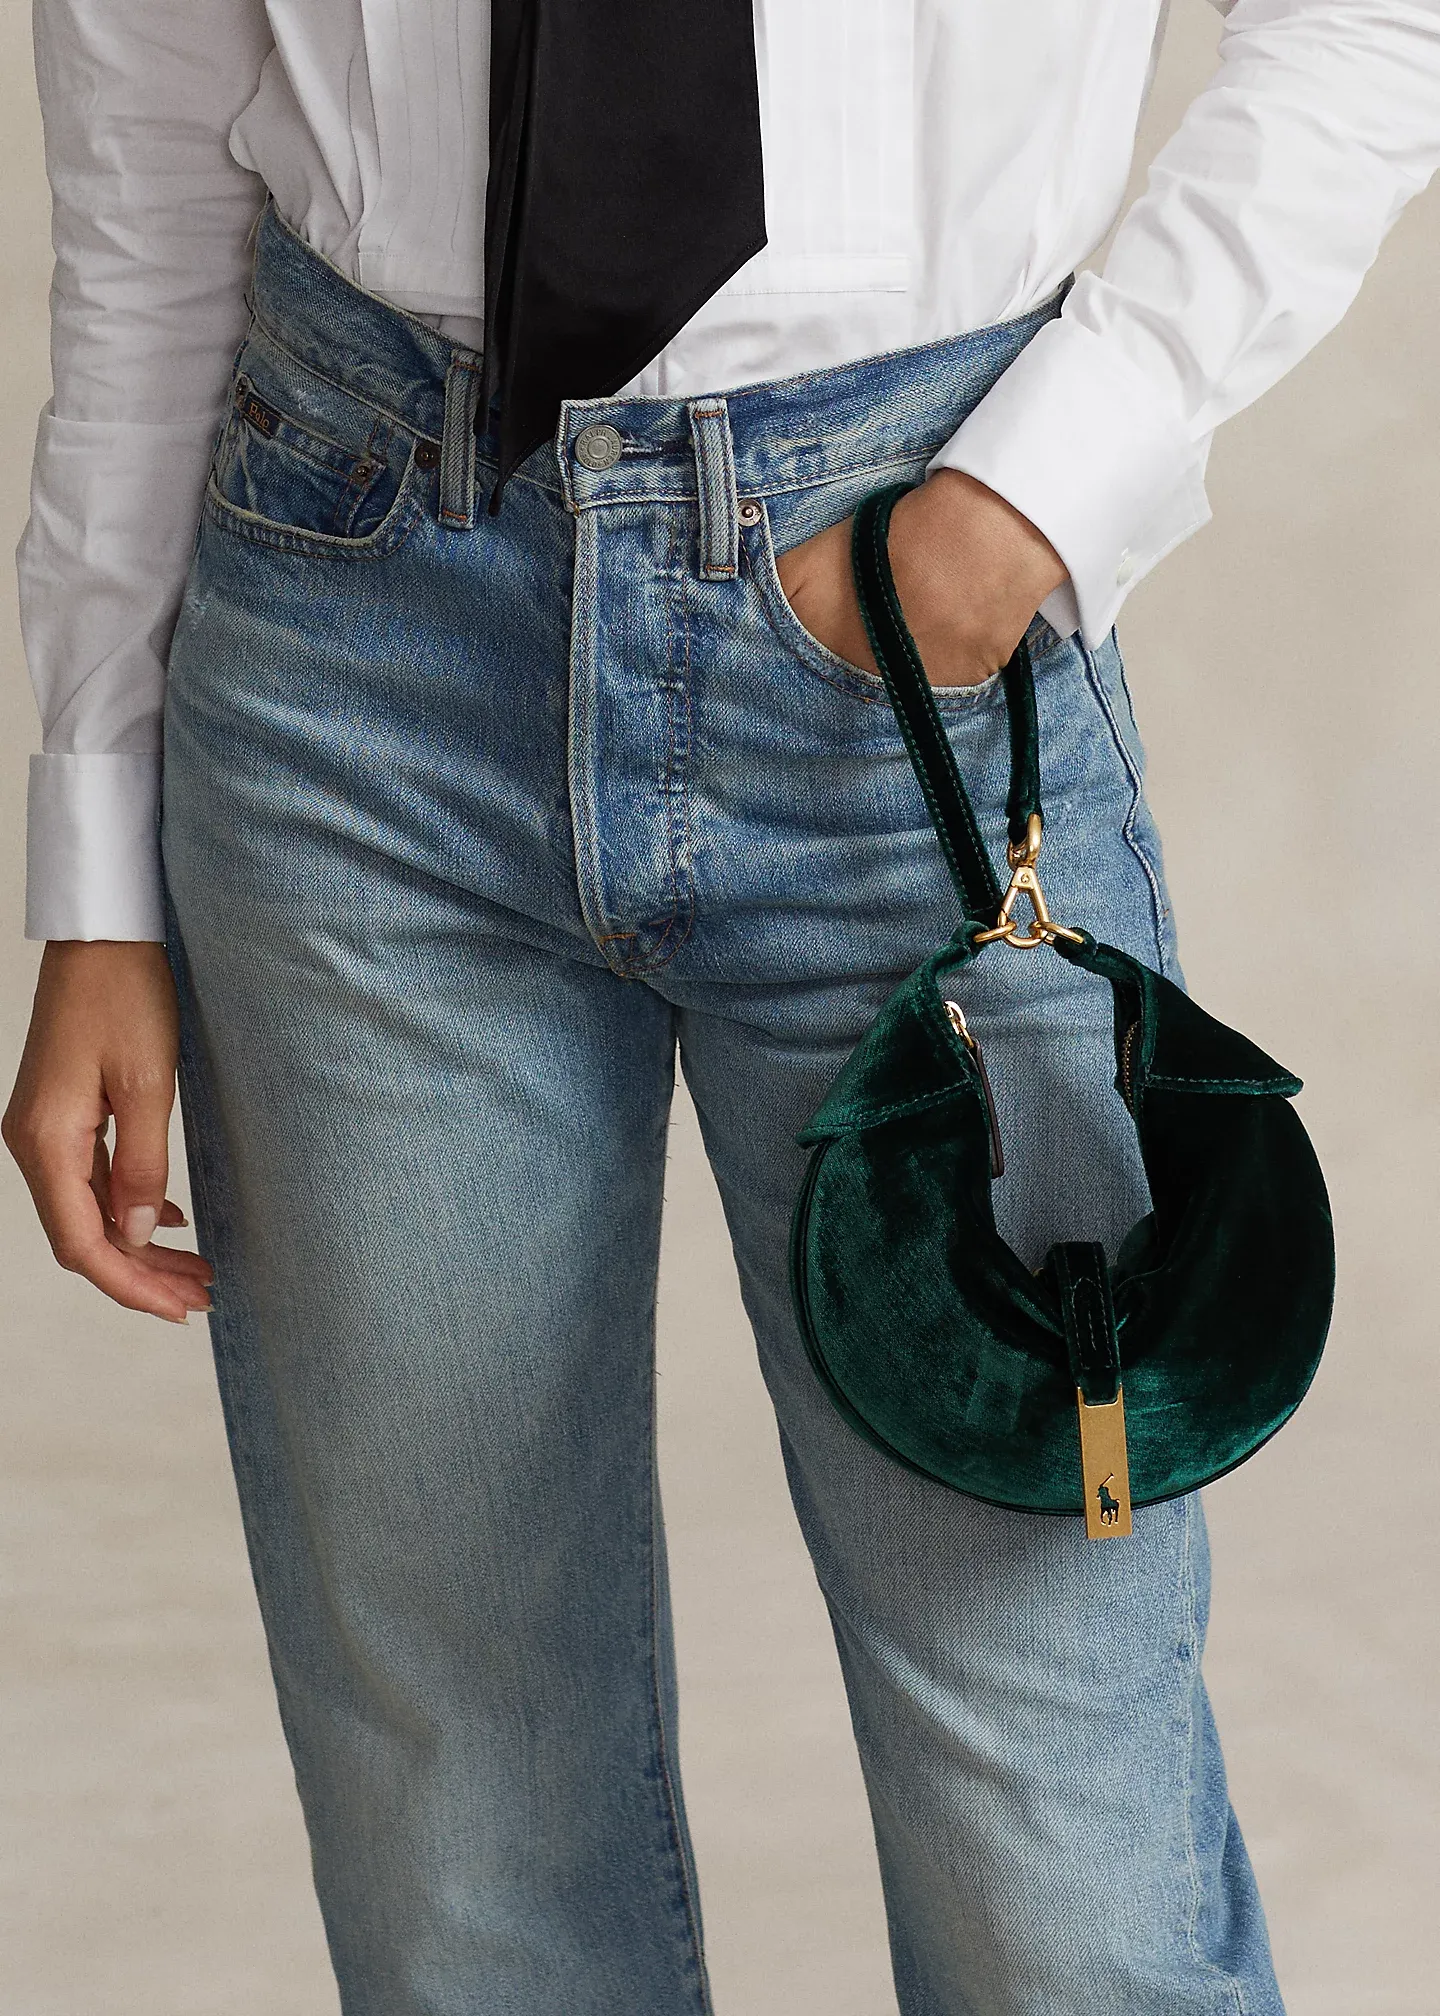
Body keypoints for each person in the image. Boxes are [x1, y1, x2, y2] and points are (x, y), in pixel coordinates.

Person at [5, 3, 1437, 2010]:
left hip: (909, 650)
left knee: (1069, 1876)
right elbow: (148, 134)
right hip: (357, 649)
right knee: (467, 1851)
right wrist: (94, 850)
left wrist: (1037, 491)